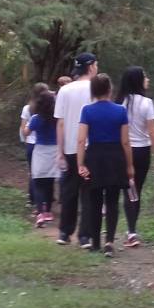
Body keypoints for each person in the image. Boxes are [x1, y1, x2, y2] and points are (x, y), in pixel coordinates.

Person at [77, 74, 134, 257]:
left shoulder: (87, 111)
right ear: (110, 89)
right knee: (112, 201)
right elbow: (125, 142)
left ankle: (95, 242)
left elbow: (81, 140)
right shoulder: (120, 111)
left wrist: (80, 164)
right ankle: (109, 242)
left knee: (94, 201)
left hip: (94, 157)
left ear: (93, 91)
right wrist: (129, 165)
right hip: (115, 157)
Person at [115, 67, 154, 248]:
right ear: (138, 80)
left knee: (129, 190)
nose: (148, 79)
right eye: (145, 77)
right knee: (137, 189)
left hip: (124, 150)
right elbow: (152, 132)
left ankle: (131, 230)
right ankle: (132, 230)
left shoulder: (120, 103)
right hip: (143, 151)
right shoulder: (147, 103)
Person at [55, 53, 99, 247]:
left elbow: (60, 123)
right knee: (88, 191)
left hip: (71, 148)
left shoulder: (65, 90)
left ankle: (65, 232)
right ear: (91, 67)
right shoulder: (96, 88)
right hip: (92, 147)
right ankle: (85, 236)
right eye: (96, 65)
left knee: (69, 191)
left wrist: (60, 151)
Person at [22, 89, 60, 227]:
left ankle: (40, 213)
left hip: (40, 151)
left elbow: (26, 132)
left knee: (38, 182)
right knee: (50, 182)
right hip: (55, 151)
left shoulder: (36, 118)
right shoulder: (57, 118)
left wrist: (26, 125)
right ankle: (48, 211)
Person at [19, 83, 50, 209]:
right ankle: (44, 200)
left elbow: (23, 128)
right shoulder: (49, 108)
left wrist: (26, 140)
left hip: (31, 144)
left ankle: (32, 199)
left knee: (33, 172)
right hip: (43, 143)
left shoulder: (27, 108)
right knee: (46, 173)